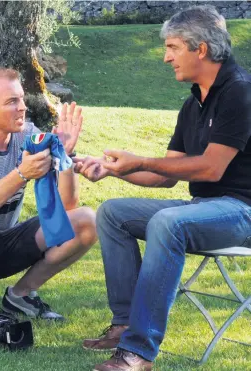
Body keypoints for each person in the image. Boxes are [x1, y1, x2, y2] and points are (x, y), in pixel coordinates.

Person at [74, 5, 251, 371]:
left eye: (172, 47)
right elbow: (166, 175)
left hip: (242, 211)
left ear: (200, 48)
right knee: (112, 213)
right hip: (206, 208)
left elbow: (210, 167)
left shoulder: (240, 93)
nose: (166, 57)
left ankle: (138, 352)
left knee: (168, 222)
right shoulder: (193, 103)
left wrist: (139, 160)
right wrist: (110, 170)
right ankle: (124, 325)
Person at [0, 67, 97, 328]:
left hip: (1, 246)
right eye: (11, 102)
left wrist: (63, 154)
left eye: (21, 99)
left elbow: (67, 207)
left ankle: (20, 295)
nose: (22, 108)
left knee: (86, 221)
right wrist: (21, 174)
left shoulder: (28, 136)